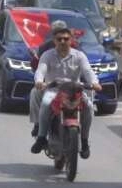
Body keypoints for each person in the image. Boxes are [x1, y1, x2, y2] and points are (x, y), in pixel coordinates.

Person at [30, 19, 101, 158]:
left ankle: (85, 141)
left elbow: (88, 71)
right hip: (53, 90)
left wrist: (94, 83)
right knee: (45, 103)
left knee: (89, 107)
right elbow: (40, 71)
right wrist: (39, 81)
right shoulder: (47, 55)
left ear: (71, 40)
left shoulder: (79, 55)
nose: (63, 41)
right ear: (54, 40)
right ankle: (41, 137)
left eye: (66, 39)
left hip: (74, 90)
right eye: (59, 39)